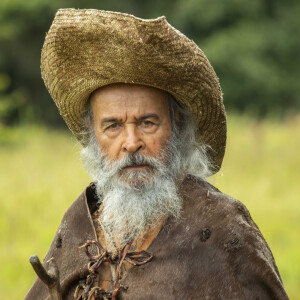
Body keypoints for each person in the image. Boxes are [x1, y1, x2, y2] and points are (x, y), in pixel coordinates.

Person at [25, 8, 289, 300]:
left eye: (147, 123)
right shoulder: (78, 223)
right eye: (112, 126)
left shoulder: (221, 228)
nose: (131, 142)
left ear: (176, 124)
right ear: (93, 133)